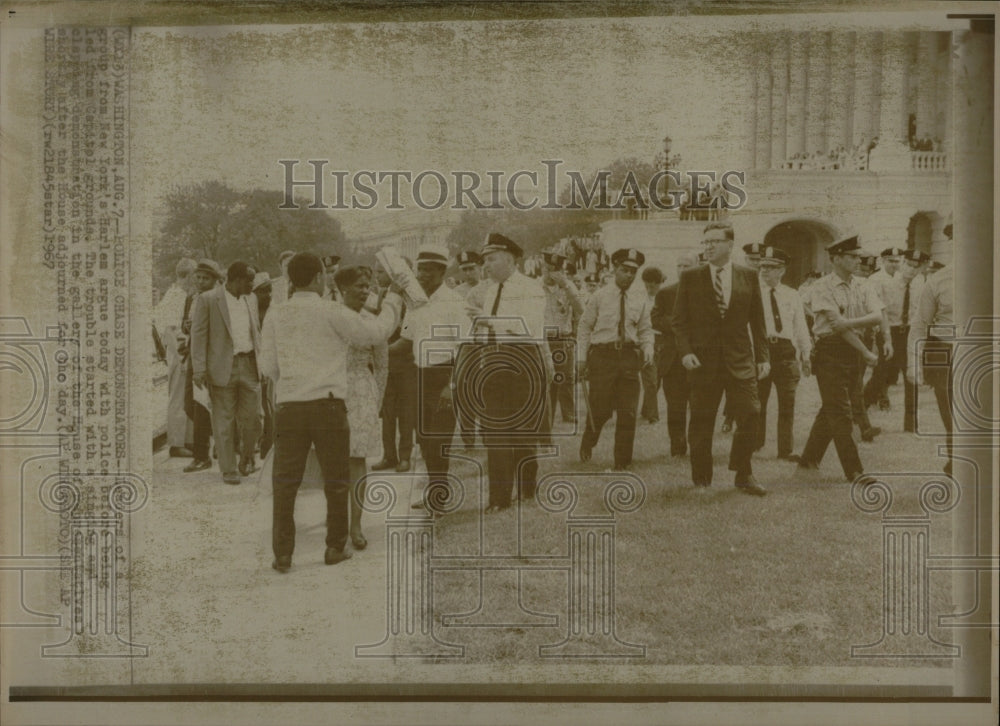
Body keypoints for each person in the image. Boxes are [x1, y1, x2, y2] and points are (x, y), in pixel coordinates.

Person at [259, 252, 404, 573]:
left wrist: (293, 381)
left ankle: (283, 554)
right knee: (337, 479)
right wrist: (393, 300)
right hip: (328, 404)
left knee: (285, 483)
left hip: (290, 405)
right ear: (317, 278)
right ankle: (335, 547)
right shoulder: (331, 311)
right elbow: (374, 334)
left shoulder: (275, 314)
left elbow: (267, 366)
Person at [671, 221, 769, 495]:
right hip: (703, 362)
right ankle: (702, 479)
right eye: (706, 242)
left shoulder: (748, 276)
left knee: (751, 412)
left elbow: (758, 321)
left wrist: (762, 356)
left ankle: (742, 472)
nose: (709, 246)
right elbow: (678, 322)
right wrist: (686, 352)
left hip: (740, 360)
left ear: (730, 244)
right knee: (702, 422)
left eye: (715, 241)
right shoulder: (691, 277)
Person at [792, 236, 882, 483]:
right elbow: (836, 326)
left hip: (855, 350)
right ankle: (855, 471)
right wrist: (865, 351)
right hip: (831, 350)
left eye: (857, 256)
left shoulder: (864, 285)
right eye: (852, 256)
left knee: (833, 406)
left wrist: (851, 324)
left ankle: (809, 458)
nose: (857, 260)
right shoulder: (821, 286)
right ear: (837, 258)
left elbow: (876, 316)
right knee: (842, 411)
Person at [470, 233, 549, 512]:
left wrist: (488, 321)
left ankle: (527, 488)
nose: (486, 266)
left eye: (491, 259)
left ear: (510, 260)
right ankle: (499, 499)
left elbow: (527, 325)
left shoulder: (531, 287)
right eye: (485, 261)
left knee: (523, 432)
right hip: (494, 362)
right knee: (495, 432)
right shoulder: (490, 291)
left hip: (522, 362)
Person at [400, 244, 469, 509]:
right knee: (425, 439)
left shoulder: (454, 303)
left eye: (427, 271)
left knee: (440, 440)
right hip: (419, 375)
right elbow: (404, 342)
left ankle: (440, 497)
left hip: (445, 376)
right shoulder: (415, 303)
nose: (421, 276)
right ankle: (434, 490)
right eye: (419, 271)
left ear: (441, 273)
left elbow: (466, 348)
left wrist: (451, 386)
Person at [577, 248, 655, 471]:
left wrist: (648, 348)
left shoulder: (640, 300)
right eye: (624, 270)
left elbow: (645, 330)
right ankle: (589, 440)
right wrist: (581, 358)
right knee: (600, 409)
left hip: (629, 358)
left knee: (628, 411)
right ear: (614, 269)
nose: (629, 275)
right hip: (603, 357)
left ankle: (622, 462)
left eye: (633, 271)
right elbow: (584, 327)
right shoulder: (599, 296)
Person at [190, 261, 263, 485]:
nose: (253, 284)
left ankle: (247, 457)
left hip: (250, 365)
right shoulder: (209, 300)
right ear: (236, 280)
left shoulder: (251, 299)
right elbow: (199, 335)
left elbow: (256, 333)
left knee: (253, 420)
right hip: (222, 368)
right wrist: (199, 368)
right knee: (223, 421)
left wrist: (264, 363)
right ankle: (228, 469)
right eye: (249, 280)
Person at [332, 265, 389, 551]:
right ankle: (336, 523)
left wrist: (376, 397)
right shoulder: (331, 317)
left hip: (362, 390)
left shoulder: (372, 321)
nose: (365, 291)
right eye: (359, 286)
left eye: (368, 286)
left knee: (357, 460)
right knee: (334, 459)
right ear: (343, 289)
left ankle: (356, 525)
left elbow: (382, 364)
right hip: (331, 391)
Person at [753, 247, 812, 460]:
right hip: (761, 351)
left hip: (786, 352)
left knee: (788, 402)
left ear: (782, 271)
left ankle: (785, 450)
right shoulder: (753, 292)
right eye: (763, 267)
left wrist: (806, 355)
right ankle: (755, 443)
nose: (765, 271)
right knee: (758, 401)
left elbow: (801, 327)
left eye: (771, 267)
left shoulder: (791, 294)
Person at [908, 220, 953, 474]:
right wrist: (913, 363)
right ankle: (959, 463)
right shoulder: (937, 281)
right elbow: (919, 325)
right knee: (951, 415)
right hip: (943, 352)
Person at [650, 253, 697, 456]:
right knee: (675, 407)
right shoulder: (666, 293)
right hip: (672, 360)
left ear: (695, 268)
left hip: (698, 359)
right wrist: (679, 326)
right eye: (679, 265)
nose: (682, 269)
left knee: (699, 407)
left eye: (686, 265)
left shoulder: (706, 292)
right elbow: (655, 319)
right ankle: (678, 448)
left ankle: (698, 446)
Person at [182, 260, 223, 473]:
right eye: (198, 277)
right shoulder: (191, 299)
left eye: (205, 278)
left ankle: (201, 455)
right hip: (192, 354)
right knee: (188, 404)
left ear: (215, 280)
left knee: (201, 407)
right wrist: (187, 326)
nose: (200, 281)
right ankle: (215, 440)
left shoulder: (216, 299)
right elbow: (184, 324)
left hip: (207, 357)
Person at [155, 257, 197, 457]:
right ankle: (176, 442)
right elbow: (171, 330)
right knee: (178, 397)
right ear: (187, 276)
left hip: (184, 352)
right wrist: (181, 357)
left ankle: (187, 439)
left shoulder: (182, 296)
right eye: (194, 276)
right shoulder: (175, 297)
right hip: (178, 353)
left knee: (186, 396)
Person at [542, 251, 584, 426]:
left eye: (556, 270)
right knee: (546, 380)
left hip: (563, 338)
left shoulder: (568, 288)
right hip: (544, 339)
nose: (552, 274)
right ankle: (547, 416)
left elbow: (581, 310)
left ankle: (568, 414)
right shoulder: (536, 288)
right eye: (548, 269)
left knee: (566, 378)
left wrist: (566, 285)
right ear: (543, 268)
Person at [851, 253, 888, 442]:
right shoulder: (847, 285)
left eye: (868, 271)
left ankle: (855, 421)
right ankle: (864, 426)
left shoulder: (869, 287)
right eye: (861, 270)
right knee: (854, 383)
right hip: (849, 336)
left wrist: (886, 338)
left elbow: (882, 313)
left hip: (866, 337)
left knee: (854, 383)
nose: (864, 274)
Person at [863, 247, 904, 409]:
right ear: (883, 261)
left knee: (893, 369)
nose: (894, 264)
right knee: (883, 366)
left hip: (900, 326)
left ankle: (878, 394)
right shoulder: (875, 279)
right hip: (884, 327)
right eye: (891, 261)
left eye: (897, 261)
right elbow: (879, 308)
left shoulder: (902, 278)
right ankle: (870, 398)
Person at [898, 248, 930, 432]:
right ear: (902, 263)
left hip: (912, 331)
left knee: (912, 377)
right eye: (908, 265)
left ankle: (911, 423)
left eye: (915, 267)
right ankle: (861, 417)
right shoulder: (886, 282)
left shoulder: (924, 284)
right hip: (892, 333)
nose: (910, 270)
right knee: (880, 376)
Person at [639, 266, 665, 423]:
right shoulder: (640, 300)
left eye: (653, 285)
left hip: (663, 342)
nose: (650, 288)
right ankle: (653, 417)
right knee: (650, 380)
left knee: (657, 380)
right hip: (647, 342)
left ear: (659, 284)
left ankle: (645, 410)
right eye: (647, 285)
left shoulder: (665, 297)